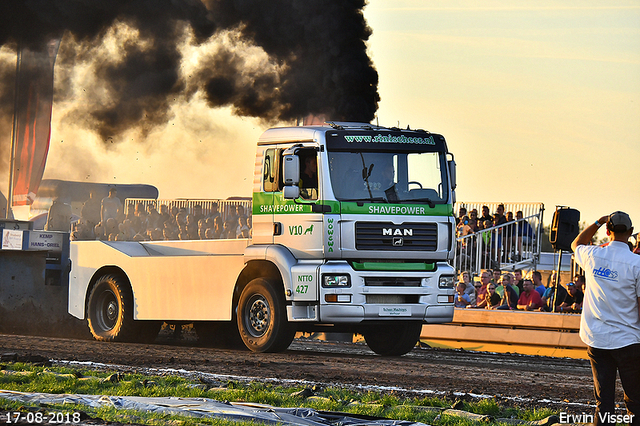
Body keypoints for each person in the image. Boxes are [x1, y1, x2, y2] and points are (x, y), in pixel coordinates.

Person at [571, 211, 640, 424]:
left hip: (597, 339)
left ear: (608, 230)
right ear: (630, 232)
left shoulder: (593, 255)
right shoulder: (637, 263)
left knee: (604, 401)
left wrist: (597, 223)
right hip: (628, 340)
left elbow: (576, 244)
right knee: (635, 400)